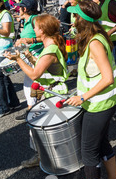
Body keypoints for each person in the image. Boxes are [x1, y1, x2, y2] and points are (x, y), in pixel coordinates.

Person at [65, 1, 116, 179]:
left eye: (75, 17)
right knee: (102, 144)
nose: (72, 20)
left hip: (99, 104)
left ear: (83, 20)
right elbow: (95, 70)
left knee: (88, 152)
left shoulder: (95, 43)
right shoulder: (95, 37)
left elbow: (107, 77)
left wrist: (82, 97)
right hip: (102, 102)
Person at [4, 13, 69, 168]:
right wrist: (28, 54)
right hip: (42, 88)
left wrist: (18, 59)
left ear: (43, 30)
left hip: (50, 91)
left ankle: (44, 157)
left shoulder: (50, 50)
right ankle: (41, 155)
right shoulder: (50, 46)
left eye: (36, 26)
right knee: (34, 122)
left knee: (40, 126)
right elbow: (41, 66)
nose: (33, 29)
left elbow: (34, 74)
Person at [11, 0, 44, 121]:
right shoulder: (27, 20)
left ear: (24, 9)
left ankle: (35, 110)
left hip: (37, 57)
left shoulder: (35, 20)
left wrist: (30, 40)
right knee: (29, 84)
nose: (18, 9)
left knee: (34, 84)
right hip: (29, 56)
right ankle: (31, 109)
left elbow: (48, 36)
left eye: (20, 7)